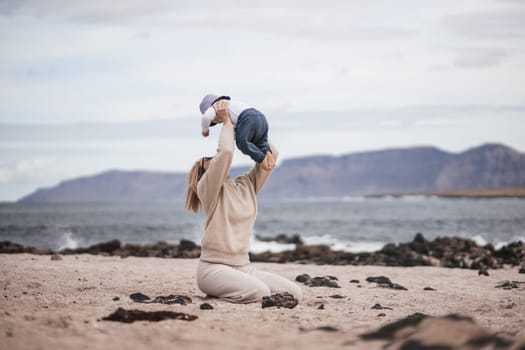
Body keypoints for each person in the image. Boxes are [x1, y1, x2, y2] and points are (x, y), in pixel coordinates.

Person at [186, 99, 302, 304]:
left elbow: (272, 155)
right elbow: (226, 153)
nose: (213, 157)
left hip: (244, 267)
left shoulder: (246, 185)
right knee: (259, 292)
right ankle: (220, 292)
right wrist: (226, 122)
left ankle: (231, 289)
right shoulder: (208, 191)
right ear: (203, 173)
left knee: (294, 293)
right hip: (213, 269)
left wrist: (244, 120)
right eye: (207, 158)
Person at [199, 93, 275, 171]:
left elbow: (206, 117)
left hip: (247, 118)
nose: (217, 122)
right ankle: (269, 156)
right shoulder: (232, 105)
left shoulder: (216, 107)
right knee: (260, 141)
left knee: (242, 143)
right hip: (261, 117)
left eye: (213, 120)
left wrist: (205, 130)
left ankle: (262, 159)